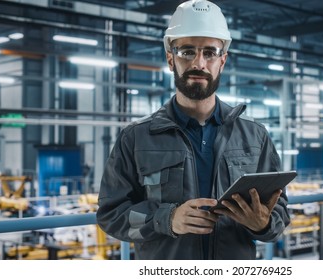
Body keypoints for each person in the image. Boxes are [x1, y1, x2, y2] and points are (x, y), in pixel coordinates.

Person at [96, 0, 290, 260]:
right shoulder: (137, 138)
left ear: (222, 61)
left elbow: (280, 216)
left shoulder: (254, 137)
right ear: (170, 59)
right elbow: (111, 215)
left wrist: (263, 224)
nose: (199, 63)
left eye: (210, 53)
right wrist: (169, 219)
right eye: (187, 51)